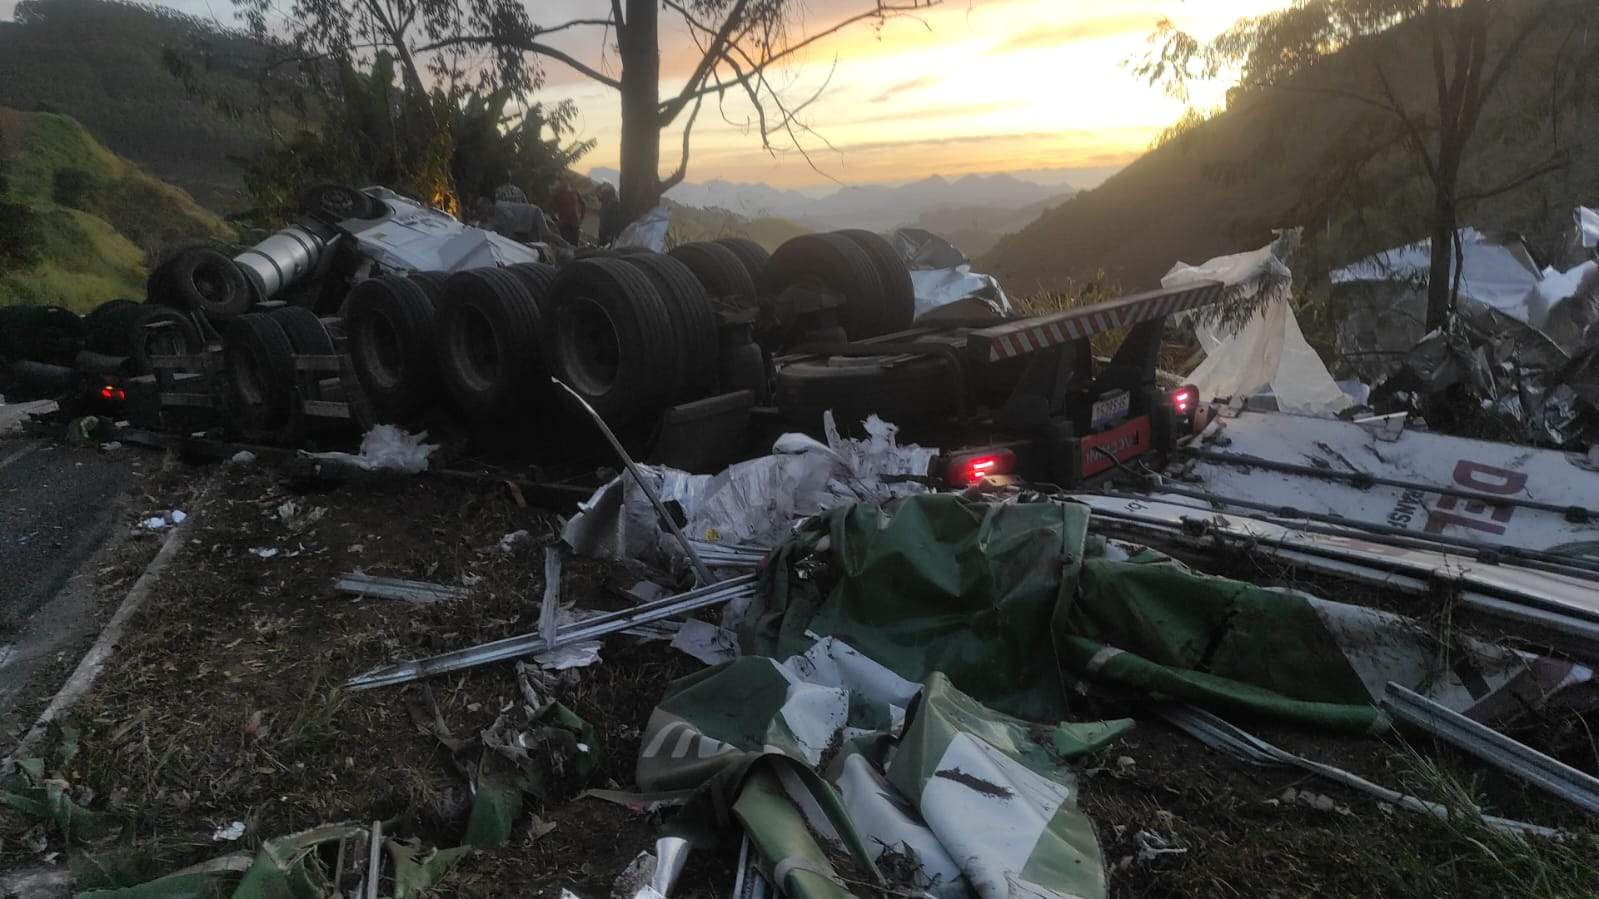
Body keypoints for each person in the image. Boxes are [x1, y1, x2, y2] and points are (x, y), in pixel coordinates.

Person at [553, 178, 586, 245]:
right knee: (564, 244)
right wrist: (555, 220)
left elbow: (583, 204)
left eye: (566, 182)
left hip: (575, 223)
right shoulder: (558, 195)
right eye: (562, 182)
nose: (564, 184)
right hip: (564, 225)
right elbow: (550, 208)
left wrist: (582, 218)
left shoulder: (575, 192)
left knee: (575, 245)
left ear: (569, 183)